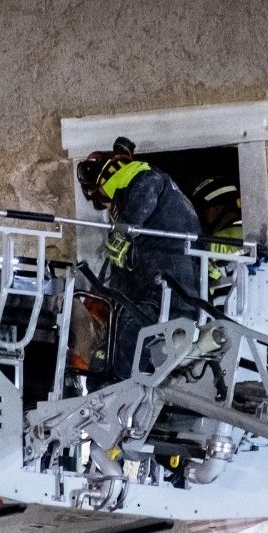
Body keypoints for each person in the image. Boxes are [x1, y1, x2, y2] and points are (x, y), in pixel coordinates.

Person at [75, 137, 201, 379]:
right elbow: (123, 278)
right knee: (130, 335)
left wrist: (123, 232)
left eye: (101, 198)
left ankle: (115, 390)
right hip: (166, 285)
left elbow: (146, 190)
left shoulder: (139, 177)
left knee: (127, 344)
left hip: (163, 287)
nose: (106, 204)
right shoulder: (162, 199)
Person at [189, 175, 244, 297]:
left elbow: (201, 285)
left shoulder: (212, 244)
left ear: (216, 209)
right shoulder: (254, 234)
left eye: (203, 214)